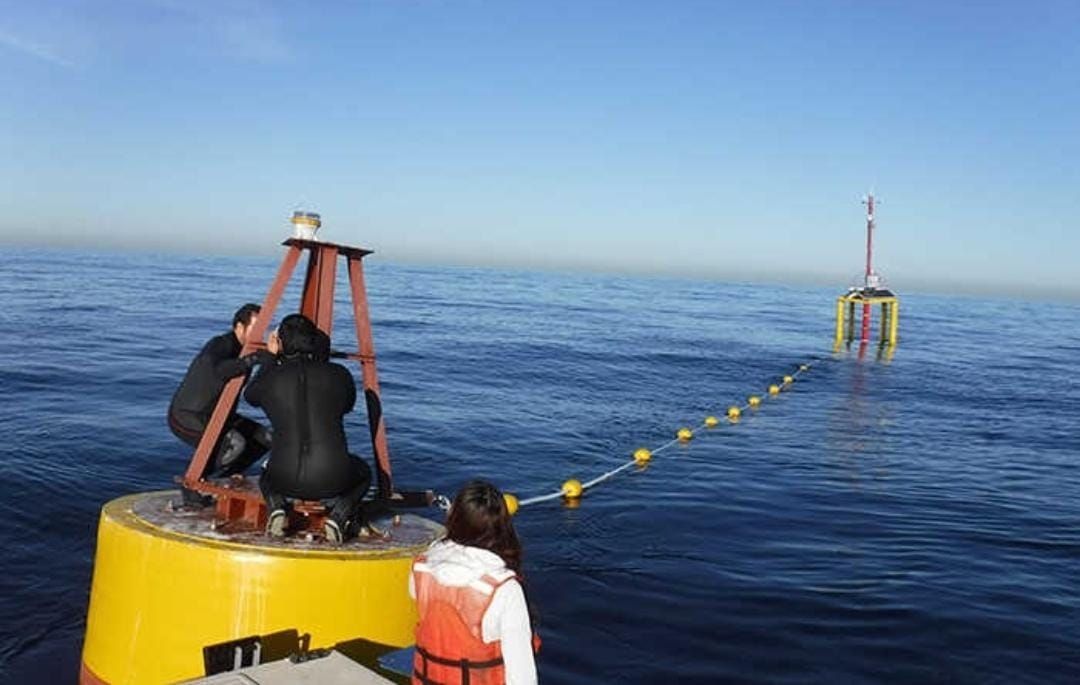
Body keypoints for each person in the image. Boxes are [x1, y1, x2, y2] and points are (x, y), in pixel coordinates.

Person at [245, 313, 372, 543]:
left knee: (265, 471)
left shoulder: (271, 378)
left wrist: (270, 359)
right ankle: (339, 515)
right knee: (364, 472)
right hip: (333, 478)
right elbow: (346, 405)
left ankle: (276, 508)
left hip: (282, 476)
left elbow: (251, 396)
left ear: (280, 342)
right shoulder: (339, 375)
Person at [409, 481, 539, 685]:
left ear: (454, 518)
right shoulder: (504, 590)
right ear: (501, 527)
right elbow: (521, 675)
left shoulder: (421, 569)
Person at [168, 303, 272, 503]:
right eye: (256, 328)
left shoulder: (250, 350)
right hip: (187, 415)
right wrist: (253, 359)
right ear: (239, 327)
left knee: (266, 437)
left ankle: (227, 476)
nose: (261, 334)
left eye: (263, 328)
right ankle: (191, 483)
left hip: (220, 415)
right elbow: (219, 370)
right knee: (234, 444)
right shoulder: (221, 344)